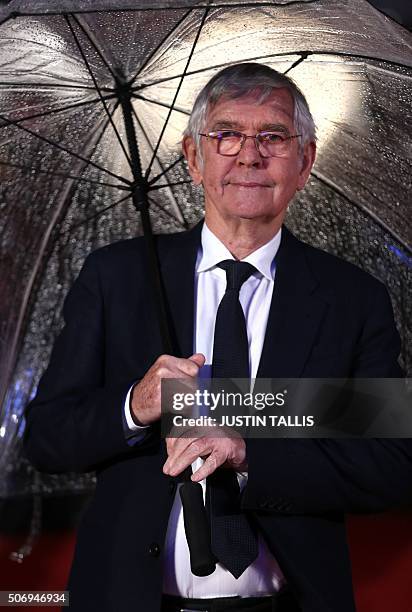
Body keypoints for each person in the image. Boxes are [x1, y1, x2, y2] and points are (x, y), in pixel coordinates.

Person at [23, 63, 410, 612]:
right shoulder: (117, 278)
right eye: (227, 134)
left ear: (305, 162)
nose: (249, 155)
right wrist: (136, 405)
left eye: (273, 137)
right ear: (192, 158)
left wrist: (250, 453)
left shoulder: (353, 300)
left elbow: (390, 465)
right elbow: (46, 439)